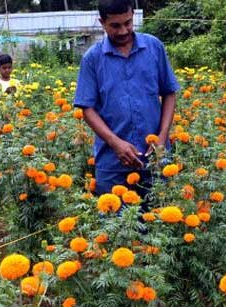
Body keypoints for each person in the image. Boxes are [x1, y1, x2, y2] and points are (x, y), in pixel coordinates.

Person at [73, 0, 179, 199]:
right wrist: (115, 143)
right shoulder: (92, 59)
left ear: (133, 16)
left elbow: (169, 93)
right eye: (115, 25)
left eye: (128, 23)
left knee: (160, 224)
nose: (123, 31)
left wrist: (162, 138)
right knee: (115, 226)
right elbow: (87, 108)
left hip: (155, 157)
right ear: (102, 22)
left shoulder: (154, 47)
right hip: (113, 164)